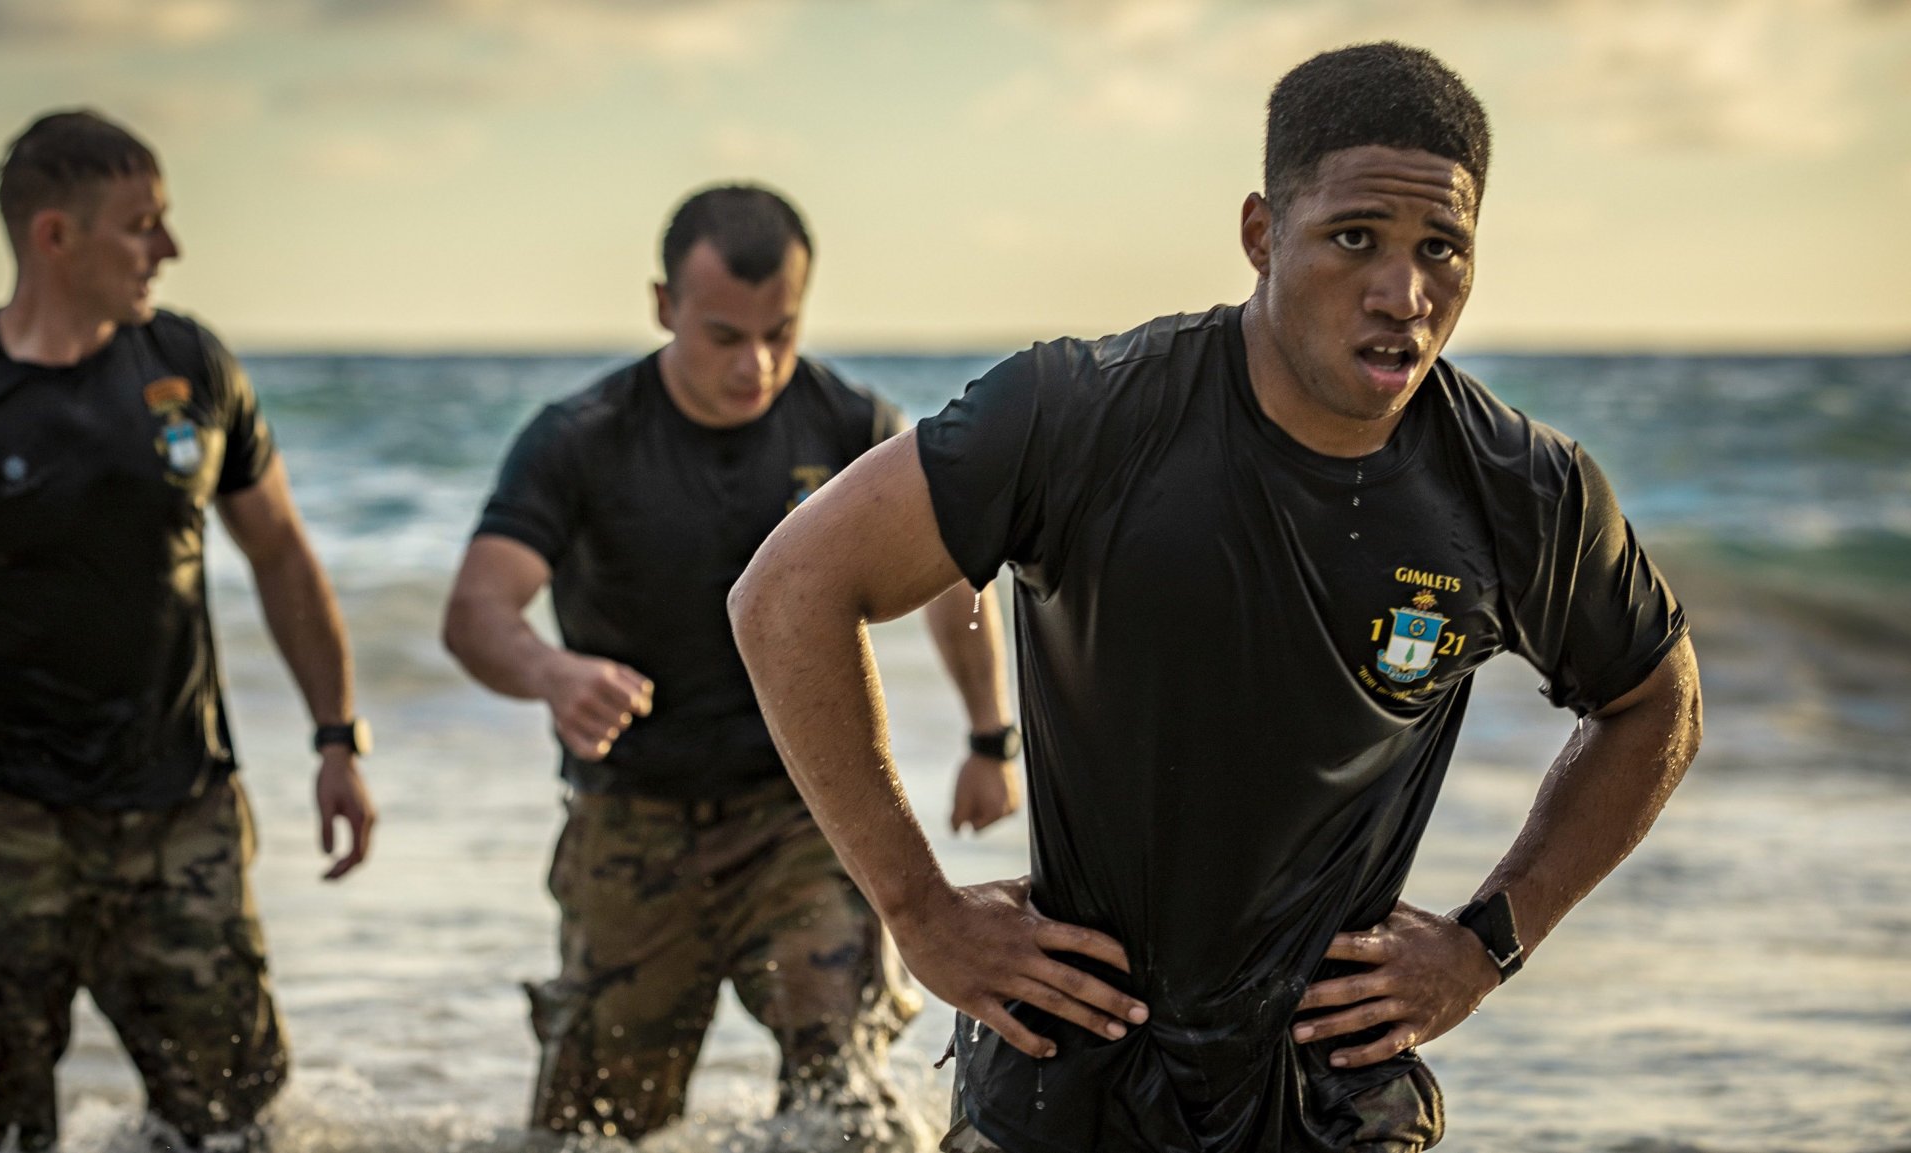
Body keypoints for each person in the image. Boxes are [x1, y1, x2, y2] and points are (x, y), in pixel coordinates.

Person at [729, 43, 1704, 1153]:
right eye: (1354, 240)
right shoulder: (1080, 415)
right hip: (1070, 1066)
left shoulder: (1518, 489)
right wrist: (917, 910)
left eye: (1441, 249)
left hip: (1328, 1090)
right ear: (1260, 233)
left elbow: (1651, 699)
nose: (1403, 293)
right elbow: (789, 591)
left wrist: (1486, 942)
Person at [441, 184, 1019, 1148]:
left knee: (847, 1101)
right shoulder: (581, 437)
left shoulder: (847, 424)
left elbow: (955, 578)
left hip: (800, 817)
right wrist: (550, 672)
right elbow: (476, 610)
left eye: (780, 332)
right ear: (664, 305)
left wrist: (988, 735)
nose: (755, 365)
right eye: (723, 335)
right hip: (630, 824)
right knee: (594, 1126)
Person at [0, 110, 377, 1153]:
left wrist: (338, 738)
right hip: (4, 822)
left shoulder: (190, 365)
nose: (170, 249)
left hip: (179, 808)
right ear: (54, 236)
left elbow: (280, 555)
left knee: (231, 1122)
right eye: (143, 225)